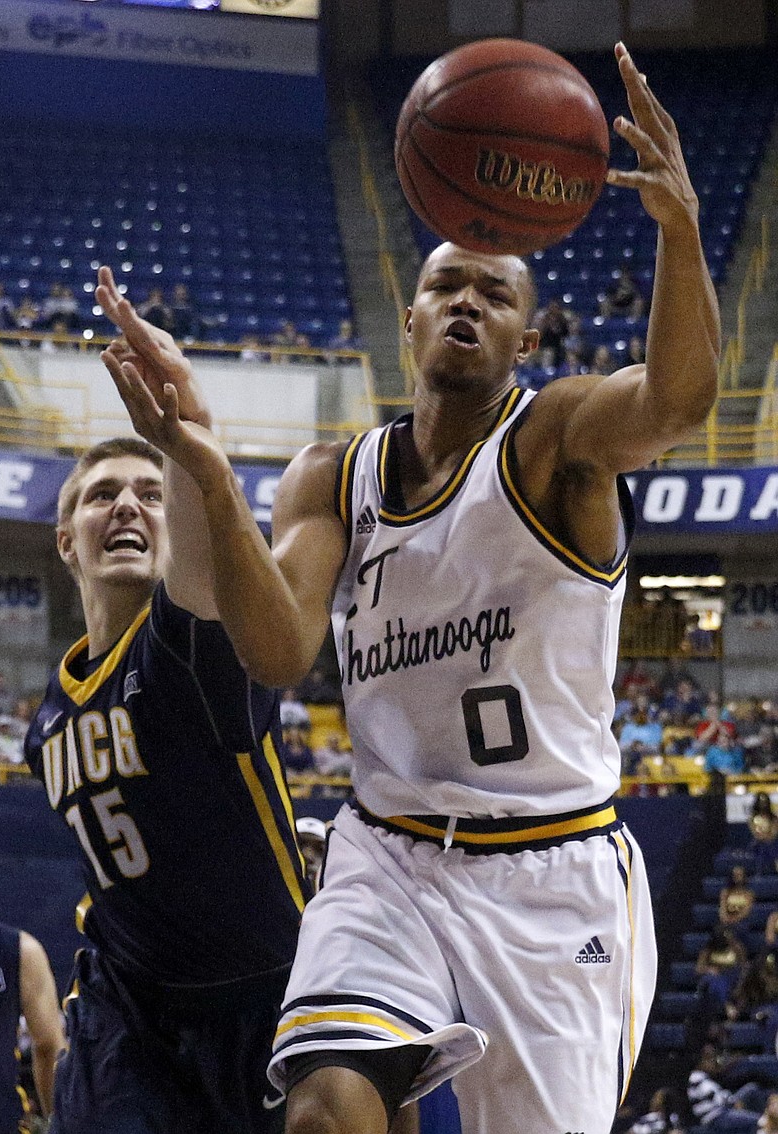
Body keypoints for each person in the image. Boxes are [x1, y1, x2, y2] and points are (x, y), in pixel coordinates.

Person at [100, 42, 720, 1134]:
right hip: (386, 859)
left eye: (493, 290)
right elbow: (279, 651)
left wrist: (677, 233)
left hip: (549, 874)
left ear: (528, 337)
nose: (466, 301)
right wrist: (199, 458)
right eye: (444, 284)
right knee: (325, 1112)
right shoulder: (332, 480)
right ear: (410, 316)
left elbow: (671, 406)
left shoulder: (555, 442)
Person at [23, 422, 310, 1130]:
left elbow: (203, 557)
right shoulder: (46, 724)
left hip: (260, 993)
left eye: (150, 494)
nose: (127, 506)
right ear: (67, 541)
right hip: (128, 1004)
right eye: (101, 496)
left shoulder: (192, 644)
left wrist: (182, 431)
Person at [0, 916, 65, 1132]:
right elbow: (49, 1047)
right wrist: (58, 1125)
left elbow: (49, 1048)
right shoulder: (19, 948)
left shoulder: (18, 949)